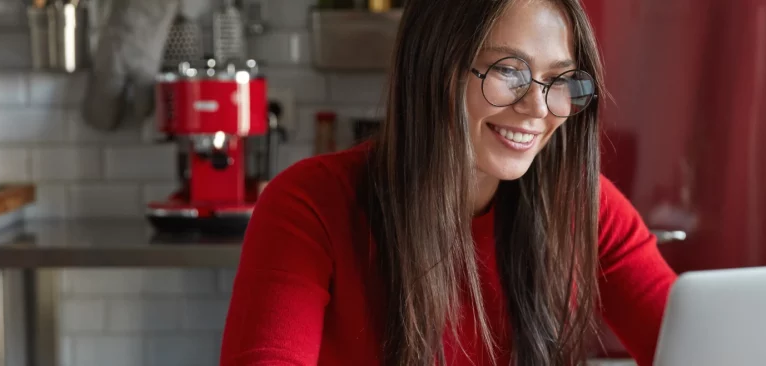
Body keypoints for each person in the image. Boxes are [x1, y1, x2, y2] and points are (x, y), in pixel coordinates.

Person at [219, 0, 677, 364]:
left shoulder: (582, 203)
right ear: (434, 70)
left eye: (560, 80)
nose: (538, 109)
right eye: (508, 71)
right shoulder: (310, 205)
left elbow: (694, 346)